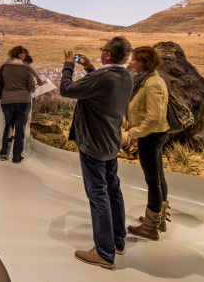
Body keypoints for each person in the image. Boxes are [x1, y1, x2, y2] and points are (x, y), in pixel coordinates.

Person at [59, 37, 133, 270]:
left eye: (104, 50)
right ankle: (118, 242)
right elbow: (100, 85)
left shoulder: (104, 77)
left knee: (98, 195)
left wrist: (69, 65)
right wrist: (89, 67)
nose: (102, 53)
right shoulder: (126, 76)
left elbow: (66, 89)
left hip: (93, 143)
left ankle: (104, 253)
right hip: (110, 142)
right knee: (113, 190)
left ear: (109, 55)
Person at [125, 46, 170, 241]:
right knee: (158, 178)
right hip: (153, 134)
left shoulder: (152, 83)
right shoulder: (148, 80)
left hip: (151, 135)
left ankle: (150, 228)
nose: (130, 62)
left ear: (144, 62)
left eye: (134, 59)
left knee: (153, 181)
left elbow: (154, 117)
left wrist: (135, 131)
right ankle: (158, 219)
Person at [0, 46, 35, 163]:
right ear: (20, 54)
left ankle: (4, 153)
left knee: (8, 126)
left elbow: (0, 83)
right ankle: (16, 156)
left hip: (6, 100)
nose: (25, 55)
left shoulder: (4, 67)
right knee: (20, 129)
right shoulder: (26, 69)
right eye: (24, 53)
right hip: (23, 101)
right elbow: (31, 88)